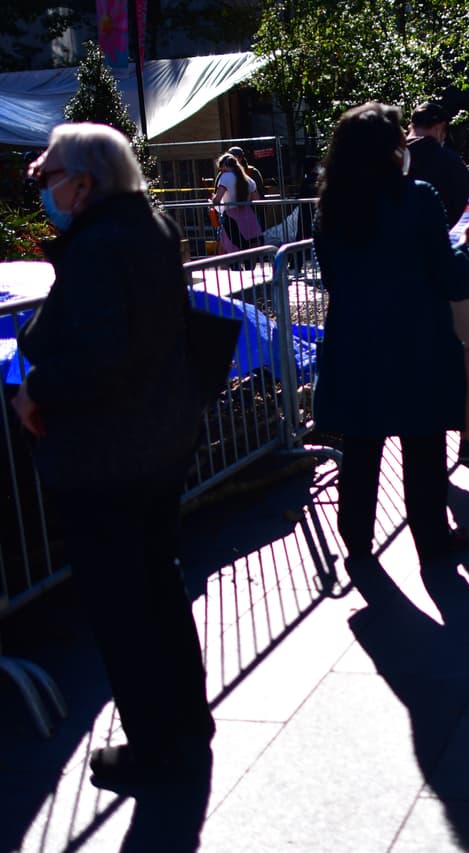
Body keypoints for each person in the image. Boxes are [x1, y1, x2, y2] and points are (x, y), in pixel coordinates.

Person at [14, 123, 215, 788]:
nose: (44, 185)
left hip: (109, 455)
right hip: (157, 440)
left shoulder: (99, 246)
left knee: (123, 605)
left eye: (49, 174)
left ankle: (153, 744)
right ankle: (187, 717)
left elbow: (99, 357)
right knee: (158, 582)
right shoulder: (148, 227)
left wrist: (35, 391)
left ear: (85, 181)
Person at [312, 102, 469, 566]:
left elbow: (332, 280)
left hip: (355, 343)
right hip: (416, 341)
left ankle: (357, 547)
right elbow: (450, 277)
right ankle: (432, 540)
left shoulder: (330, 207)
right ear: (392, 149)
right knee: (423, 447)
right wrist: (468, 250)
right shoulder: (417, 197)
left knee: (362, 448)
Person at [406, 101, 469, 463]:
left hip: (405, 277)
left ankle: (418, 430)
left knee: (413, 357)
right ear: (442, 126)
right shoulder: (450, 163)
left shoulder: (392, 161)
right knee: (464, 354)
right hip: (449, 267)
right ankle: (466, 435)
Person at [210, 152, 263, 254]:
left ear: (224, 166)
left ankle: (235, 269)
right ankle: (250, 267)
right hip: (248, 215)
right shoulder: (248, 179)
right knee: (251, 246)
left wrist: (212, 200)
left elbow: (217, 199)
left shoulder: (225, 177)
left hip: (231, 217)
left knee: (230, 247)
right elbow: (257, 199)